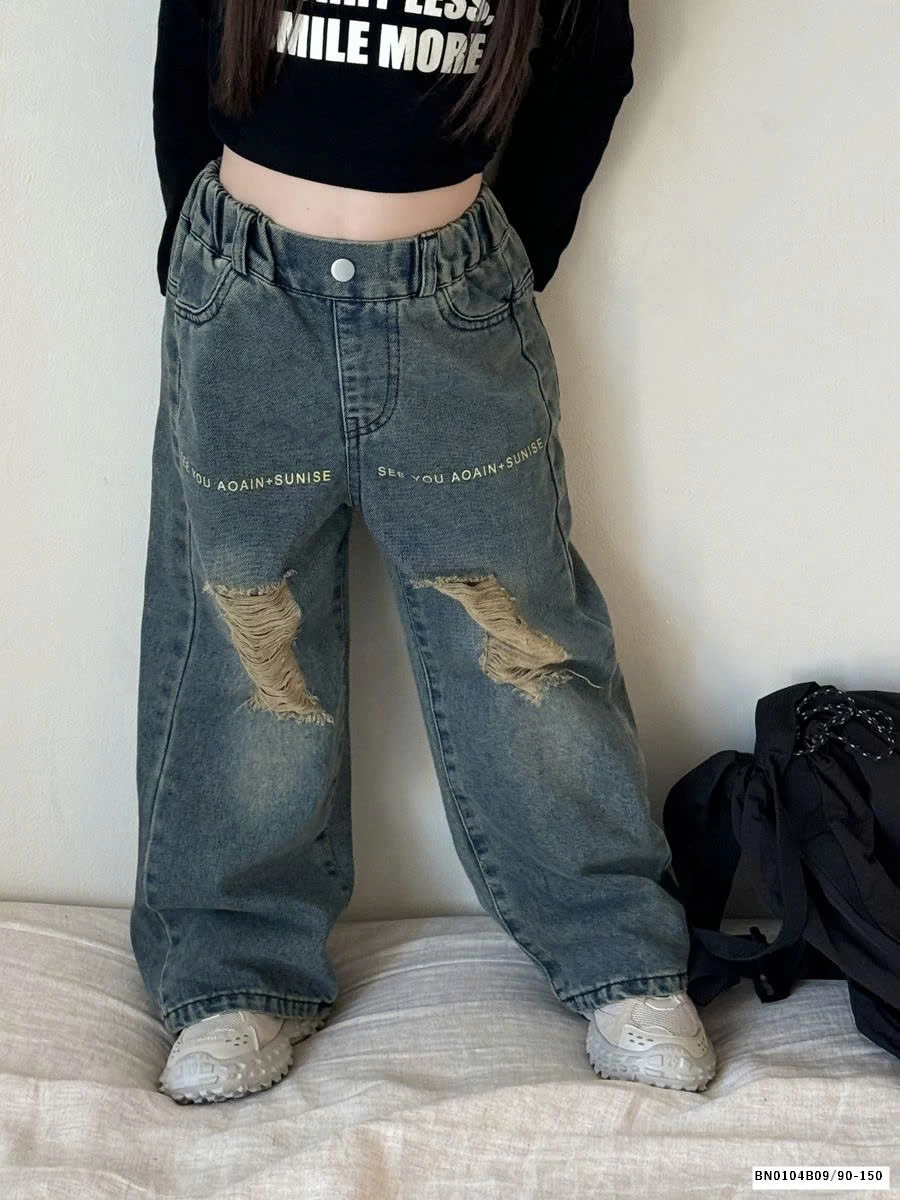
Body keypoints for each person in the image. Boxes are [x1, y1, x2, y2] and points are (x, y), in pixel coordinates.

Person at [132, 0, 717, 1105]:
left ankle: (617, 953)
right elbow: (186, 49)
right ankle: (230, 973)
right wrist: (193, 265)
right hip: (244, 303)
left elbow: (592, 64)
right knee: (242, 640)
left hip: (453, 306)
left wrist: (505, 264)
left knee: (525, 641)